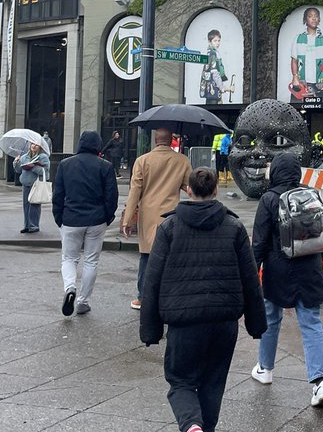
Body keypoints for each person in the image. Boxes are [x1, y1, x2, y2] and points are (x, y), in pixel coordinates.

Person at [139, 167, 266, 432]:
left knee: (180, 380)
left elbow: (152, 280)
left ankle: (191, 426)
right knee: (213, 381)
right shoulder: (233, 227)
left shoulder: (169, 228)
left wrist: (150, 328)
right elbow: (250, 279)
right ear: (215, 192)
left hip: (184, 321)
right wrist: (256, 323)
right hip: (223, 321)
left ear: (189, 191)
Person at [250, 152, 323, 407]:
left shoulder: (269, 199)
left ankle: (265, 368)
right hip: (309, 268)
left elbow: (260, 242)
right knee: (311, 323)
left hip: (278, 268)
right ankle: (320, 382)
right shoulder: (310, 195)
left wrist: (253, 271)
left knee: (271, 319)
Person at [121, 128, 192, 311]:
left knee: (146, 255)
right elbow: (189, 187)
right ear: (171, 140)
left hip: (148, 214)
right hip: (171, 214)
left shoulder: (142, 161)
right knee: (170, 255)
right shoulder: (182, 161)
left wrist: (127, 220)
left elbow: (134, 191)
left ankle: (143, 297)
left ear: (155, 140)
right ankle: (170, 294)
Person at [52, 131, 118, 317]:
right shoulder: (105, 166)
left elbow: (58, 194)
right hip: (96, 219)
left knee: (69, 259)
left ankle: (70, 288)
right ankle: (83, 301)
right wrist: (108, 217)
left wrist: (59, 217)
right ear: (97, 145)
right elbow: (111, 195)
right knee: (91, 260)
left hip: (71, 218)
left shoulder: (65, 165)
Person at [290, 6, 323, 103]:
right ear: (305, 20)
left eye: (316, 16)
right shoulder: (298, 38)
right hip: (302, 84)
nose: (313, 18)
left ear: (319, 20)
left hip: (321, 84)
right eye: (310, 16)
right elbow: (294, 60)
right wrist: (295, 77)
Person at [14, 140, 50, 233]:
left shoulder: (43, 157)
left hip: (36, 184)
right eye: (33, 144)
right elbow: (18, 170)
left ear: (40, 147)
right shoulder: (24, 157)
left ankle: (34, 226)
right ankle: (26, 226)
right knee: (26, 206)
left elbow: (45, 172)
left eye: (37, 145)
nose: (34, 146)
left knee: (34, 205)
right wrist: (16, 162)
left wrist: (33, 167)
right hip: (26, 184)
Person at [200, 29, 229, 104]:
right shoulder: (213, 54)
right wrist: (222, 87)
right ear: (209, 42)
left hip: (210, 90)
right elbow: (215, 73)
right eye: (215, 41)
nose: (217, 43)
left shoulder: (210, 53)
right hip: (213, 90)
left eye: (219, 40)